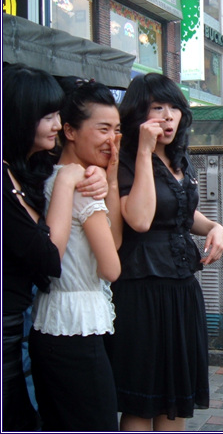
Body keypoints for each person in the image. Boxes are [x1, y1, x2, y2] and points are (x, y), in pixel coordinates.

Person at [106, 73, 223, 431]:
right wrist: (143, 150)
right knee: (143, 402)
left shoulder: (179, 159)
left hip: (181, 287)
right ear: (139, 114)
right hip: (141, 287)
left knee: (175, 402)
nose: (168, 116)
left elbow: (183, 211)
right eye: (158, 107)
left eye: (174, 107)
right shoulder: (125, 158)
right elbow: (140, 219)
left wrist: (214, 227)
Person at [2, 65, 108, 431]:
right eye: (46, 116)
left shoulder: (32, 170)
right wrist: (67, 183)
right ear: (19, 116)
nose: (55, 124)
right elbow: (49, 260)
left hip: (24, 328)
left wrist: (97, 177)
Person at [28, 78, 122, 431]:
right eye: (102, 129)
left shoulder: (50, 178)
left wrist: (109, 181)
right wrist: (102, 191)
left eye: (116, 130)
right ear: (69, 130)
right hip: (76, 334)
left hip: (49, 326)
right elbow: (111, 265)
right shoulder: (81, 186)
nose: (112, 140)